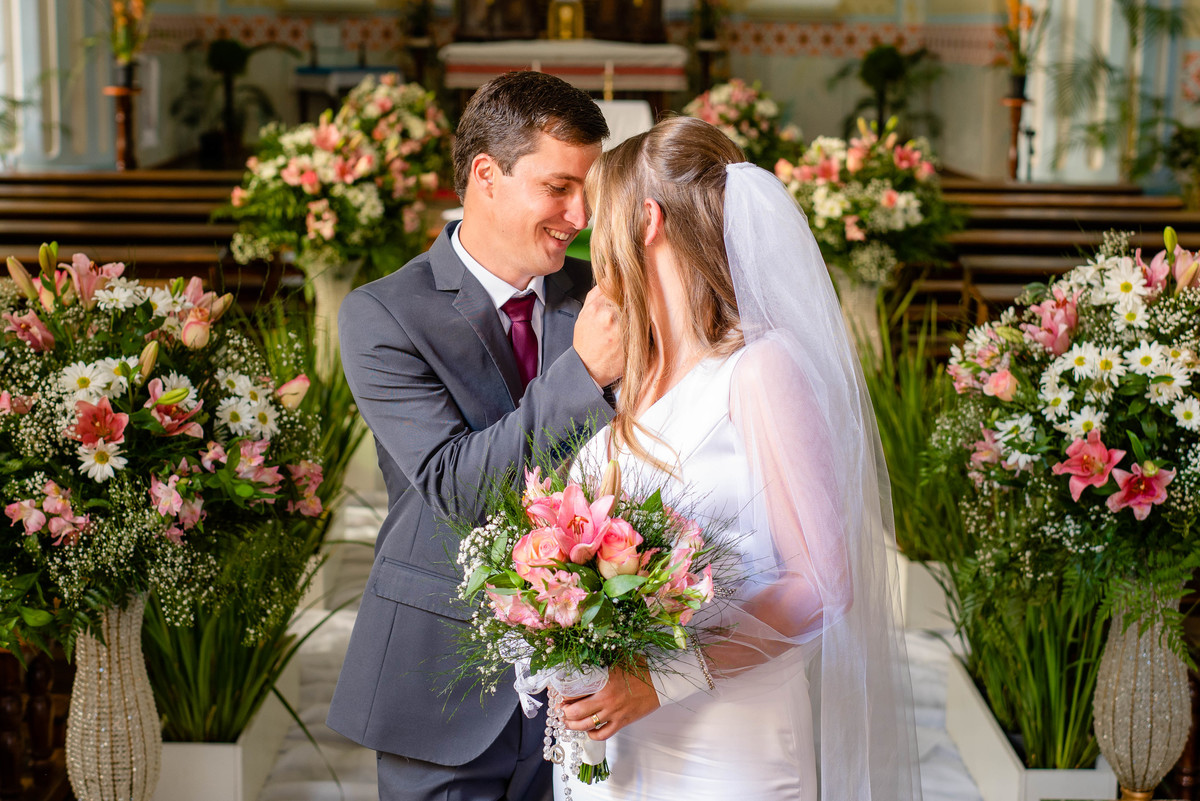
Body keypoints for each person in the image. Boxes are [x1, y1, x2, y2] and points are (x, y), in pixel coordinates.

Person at [553, 116, 923, 801]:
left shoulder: (759, 369)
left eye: (601, 216)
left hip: (726, 750)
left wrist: (662, 678)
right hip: (616, 749)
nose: (589, 234)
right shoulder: (626, 372)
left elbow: (822, 585)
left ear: (647, 222)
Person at [326, 71, 623, 801]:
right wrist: (586, 372)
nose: (580, 215)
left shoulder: (606, 293)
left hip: (587, 686)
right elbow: (460, 487)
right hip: (441, 680)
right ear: (487, 175)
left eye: (588, 191)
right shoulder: (383, 314)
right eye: (559, 188)